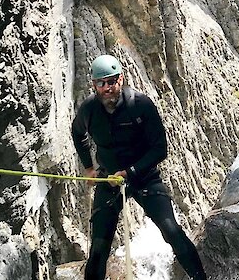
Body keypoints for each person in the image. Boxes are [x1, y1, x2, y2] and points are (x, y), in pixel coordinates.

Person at [72, 54, 207, 280]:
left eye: (112, 81)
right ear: (94, 85)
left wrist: (130, 172)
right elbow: (78, 134)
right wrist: (88, 168)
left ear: (121, 79)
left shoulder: (141, 105)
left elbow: (160, 149)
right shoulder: (89, 110)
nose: (108, 88)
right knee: (98, 248)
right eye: (101, 83)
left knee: (171, 231)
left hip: (144, 178)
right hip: (109, 180)